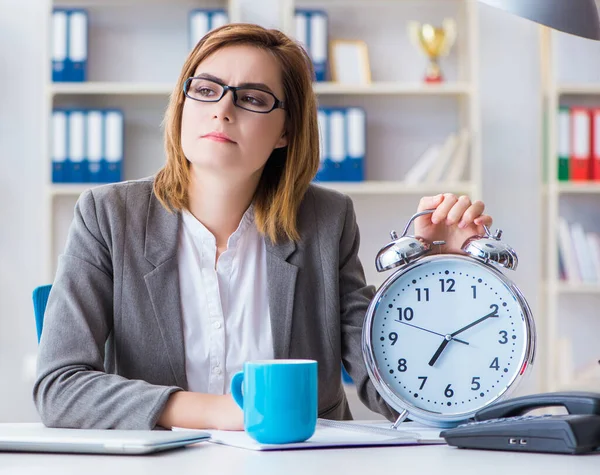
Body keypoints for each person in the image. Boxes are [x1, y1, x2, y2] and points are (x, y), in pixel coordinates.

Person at [33, 23, 492, 430]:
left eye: (252, 98)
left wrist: (438, 278)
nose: (223, 109)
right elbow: (59, 388)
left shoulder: (325, 222)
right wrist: (223, 413)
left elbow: (395, 394)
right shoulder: (108, 215)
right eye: (207, 89)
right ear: (182, 103)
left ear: (285, 132)